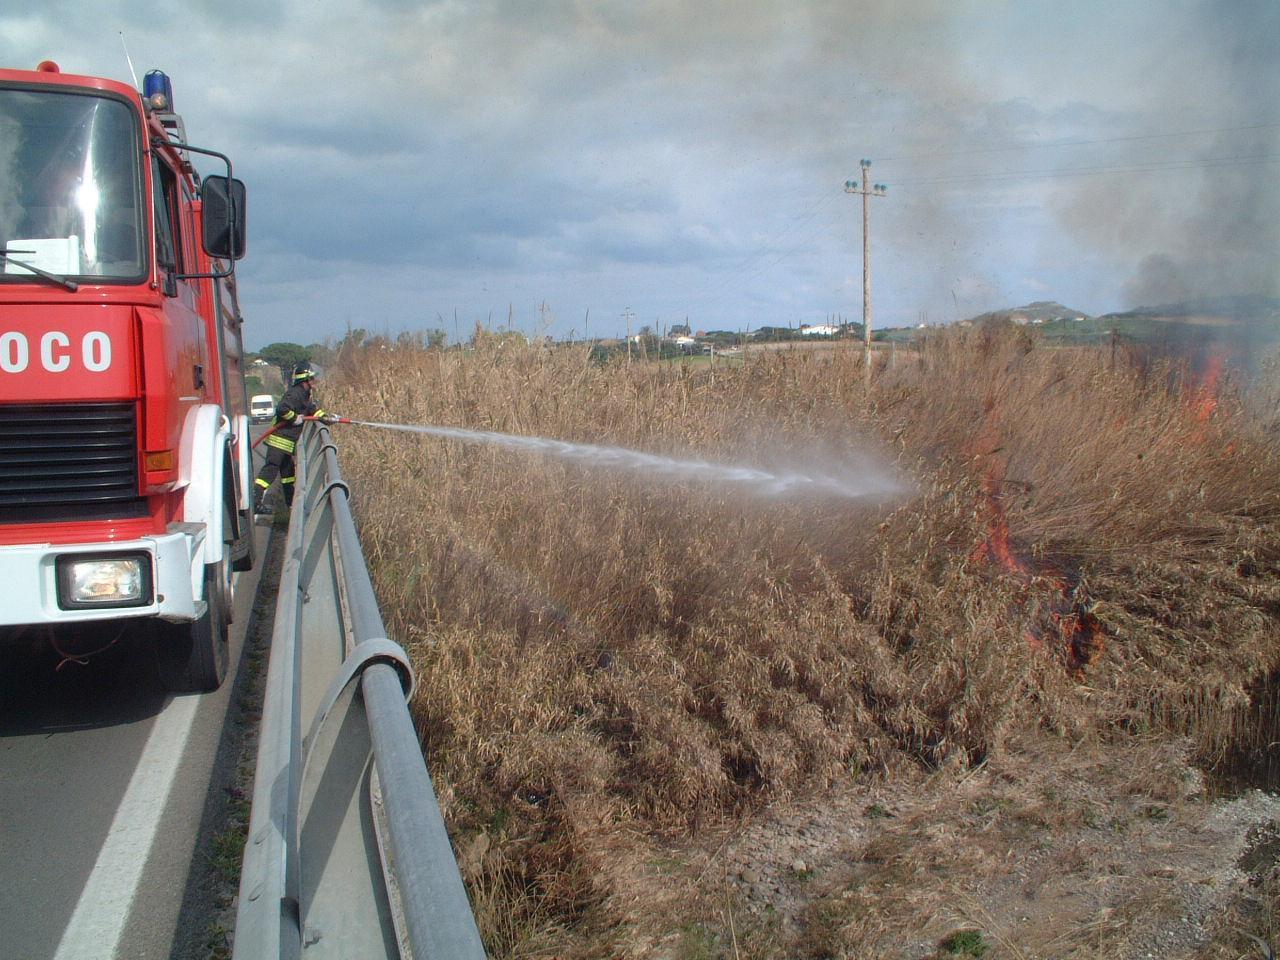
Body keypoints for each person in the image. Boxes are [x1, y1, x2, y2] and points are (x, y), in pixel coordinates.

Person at [253, 364, 333, 514]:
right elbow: (282, 409)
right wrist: (294, 418)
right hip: (279, 441)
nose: (315, 381)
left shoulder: (305, 395)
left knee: (288, 475)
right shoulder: (295, 393)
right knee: (270, 471)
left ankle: (291, 506)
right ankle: (255, 502)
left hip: (287, 443)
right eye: (312, 378)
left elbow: (313, 411)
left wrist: (327, 418)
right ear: (306, 379)